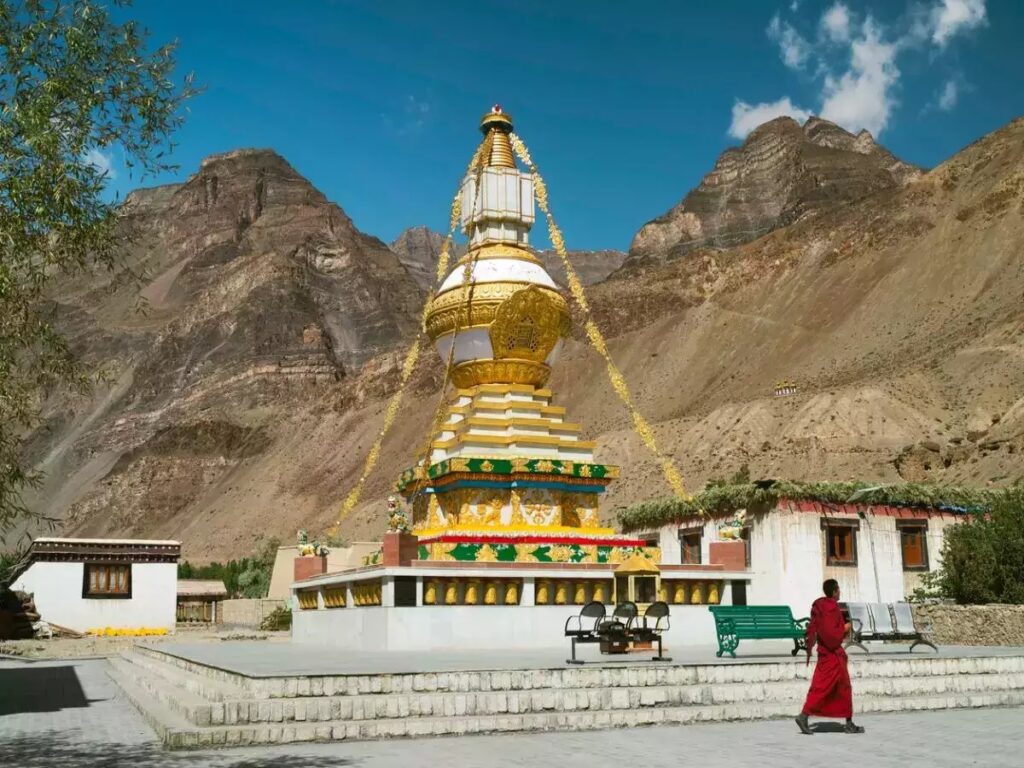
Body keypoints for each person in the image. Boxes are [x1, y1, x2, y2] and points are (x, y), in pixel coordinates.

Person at [795, 579, 865, 735]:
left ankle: (848, 722)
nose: (840, 591)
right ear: (834, 591)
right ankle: (804, 715)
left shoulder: (822, 606)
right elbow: (831, 635)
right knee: (824, 688)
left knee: (839, 688)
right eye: (838, 589)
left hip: (828, 654)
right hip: (832, 655)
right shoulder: (831, 608)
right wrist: (845, 628)